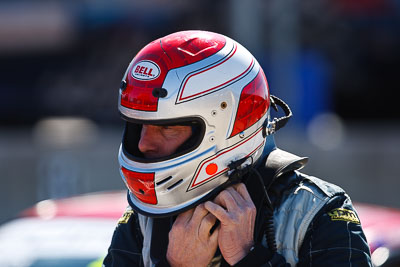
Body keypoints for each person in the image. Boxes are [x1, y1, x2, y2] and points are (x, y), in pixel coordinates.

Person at [104, 30, 372, 266]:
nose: (143, 144)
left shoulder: (319, 214)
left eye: (167, 128)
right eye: (139, 127)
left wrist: (248, 257)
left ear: (228, 128)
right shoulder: (142, 222)